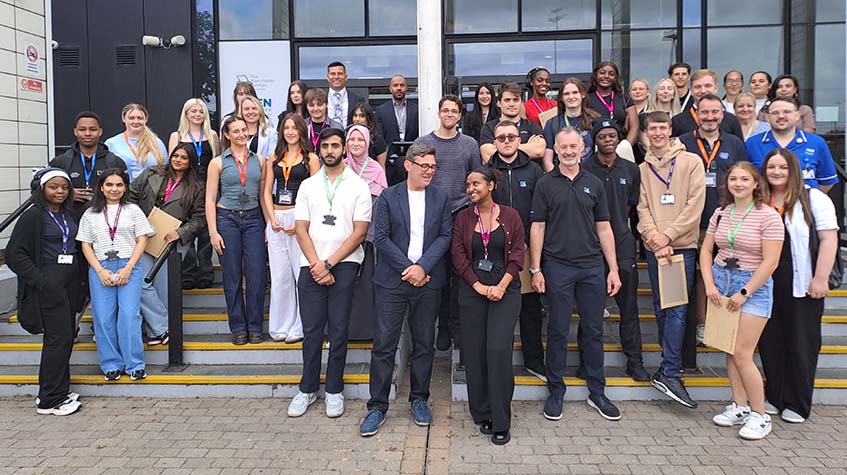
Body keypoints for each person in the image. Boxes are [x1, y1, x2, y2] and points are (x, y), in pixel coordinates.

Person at [530, 128, 623, 422]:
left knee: (594, 330)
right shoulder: (545, 184)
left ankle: (597, 392)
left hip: (592, 267)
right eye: (563, 147)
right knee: (557, 329)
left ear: (582, 147)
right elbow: (538, 228)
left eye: (573, 146)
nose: (569, 151)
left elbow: (604, 227)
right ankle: (556, 391)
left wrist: (614, 269)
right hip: (557, 266)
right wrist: (536, 268)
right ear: (555, 150)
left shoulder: (594, 184)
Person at [360, 143, 452, 437]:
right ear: (408, 165)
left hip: (428, 281)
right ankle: (377, 406)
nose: (429, 172)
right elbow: (382, 239)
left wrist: (423, 266)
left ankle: (419, 399)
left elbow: (445, 236)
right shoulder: (388, 196)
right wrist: (410, 268)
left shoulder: (440, 197)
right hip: (392, 281)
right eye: (424, 166)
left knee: (425, 343)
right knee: (384, 345)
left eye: (433, 167)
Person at [287, 127, 371, 419]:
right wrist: (316, 264)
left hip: (345, 263)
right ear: (319, 150)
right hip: (310, 263)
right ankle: (307, 388)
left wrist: (329, 264)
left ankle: (334, 389)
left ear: (344, 149)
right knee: (311, 331)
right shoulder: (308, 185)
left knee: (338, 330)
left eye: (336, 145)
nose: (330, 151)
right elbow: (300, 228)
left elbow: (360, 232)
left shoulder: (359, 186)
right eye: (325, 146)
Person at [700, 161, 783, 440]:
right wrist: (710, 284)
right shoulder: (721, 213)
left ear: (756, 183)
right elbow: (707, 250)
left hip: (752, 288)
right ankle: (740, 406)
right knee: (729, 348)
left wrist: (744, 292)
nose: (738, 184)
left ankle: (760, 415)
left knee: (743, 353)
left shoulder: (768, 216)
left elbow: (771, 262)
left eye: (744, 179)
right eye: (733, 179)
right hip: (722, 282)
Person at [760, 148, 838, 425]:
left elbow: (828, 240)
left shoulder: (813, 198)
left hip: (802, 282)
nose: (777, 172)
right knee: (770, 343)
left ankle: (797, 402)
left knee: (801, 343)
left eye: (782, 167)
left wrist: (820, 278)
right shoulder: (761, 200)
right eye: (771, 168)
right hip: (767, 283)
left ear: (793, 169)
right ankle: (775, 395)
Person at [637, 111, 705, 409]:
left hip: (681, 247)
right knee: (661, 308)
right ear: (646, 132)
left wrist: (668, 237)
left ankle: (671, 370)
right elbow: (642, 209)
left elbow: (695, 205)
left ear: (670, 129)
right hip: (656, 248)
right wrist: (654, 238)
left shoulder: (691, 162)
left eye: (662, 127)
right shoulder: (643, 168)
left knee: (677, 309)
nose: (658, 133)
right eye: (653, 128)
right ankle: (667, 369)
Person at [453, 167, 525, 444]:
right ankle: (482, 412)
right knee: (474, 353)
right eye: (468, 184)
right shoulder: (462, 218)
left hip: (505, 292)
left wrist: (502, 286)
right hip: (473, 292)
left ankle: (501, 419)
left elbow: (518, 253)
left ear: (491, 185)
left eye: (476, 183)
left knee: (497, 351)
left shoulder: (511, 215)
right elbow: (458, 256)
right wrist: (478, 286)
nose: (470, 188)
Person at [6, 169, 85, 415]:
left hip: (69, 285)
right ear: (42, 189)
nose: (60, 191)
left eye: (64, 187)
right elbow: (13, 255)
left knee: (65, 337)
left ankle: (57, 390)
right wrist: (42, 282)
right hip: (48, 286)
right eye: (54, 187)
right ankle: (51, 399)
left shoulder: (68, 214)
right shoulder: (33, 217)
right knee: (58, 339)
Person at [679, 94, 749, 346]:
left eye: (715, 112)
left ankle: (725, 327)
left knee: (728, 273)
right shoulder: (683, 142)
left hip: (729, 221)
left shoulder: (734, 142)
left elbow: (746, 177)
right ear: (696, 114)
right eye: (705, 112)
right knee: (700, 275)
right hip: (694, 222)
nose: (710, 117)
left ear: (722, 114)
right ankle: (701, 323)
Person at [582, 119, 649, 382]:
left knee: (629, 308)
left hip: (622, 244)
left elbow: (632, 205)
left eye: (612, 136)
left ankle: (635, 362)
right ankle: (587, 364)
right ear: (595, 140)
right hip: (591, 246)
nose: (608, 140)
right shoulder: (585, 169)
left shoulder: (632, 170)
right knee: (590, 310)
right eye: (602, 136)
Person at [416, 95, 483, 351]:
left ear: (459, 115)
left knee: (460, 272)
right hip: (431, 213)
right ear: (439, 113)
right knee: (435, 271)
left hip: (462, 212)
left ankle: (454, 327)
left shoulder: (469, 144)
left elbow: (476, 177)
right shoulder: (424, 142)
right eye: (445, 110)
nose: (449, 115)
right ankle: (439, 327)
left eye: (454, 111)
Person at [77, 168, 154, 381]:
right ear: (101, 187)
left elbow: (143, 239)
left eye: (119, 185)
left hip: (129, 265)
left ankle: (134, 364)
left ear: (125, 187)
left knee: (130, 315)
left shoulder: (133, 210)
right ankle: (111, 364)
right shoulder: (90, 213)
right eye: (109, 185)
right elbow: (85, 245)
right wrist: (99, 270)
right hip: (100, 266)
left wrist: (129, 267)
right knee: (103, 318)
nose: (114, 189)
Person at [128, 143, 206, 346]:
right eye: (175, 156)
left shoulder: (197, 187)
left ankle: (155, 333)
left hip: (172, 242)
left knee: (163, 289)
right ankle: (163, 328)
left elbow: (199, 218)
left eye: (183, 158)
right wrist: (139, 221)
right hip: (144, 236)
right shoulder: (150, 173)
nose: (178, 160)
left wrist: (180, 232)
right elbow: (130, 196)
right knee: (142, 282)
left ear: (191, 162)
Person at [485, 121, 545, 381]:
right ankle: (497, 362)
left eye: (511, 137)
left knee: (530, 308)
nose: (507, 141)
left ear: (519, 140)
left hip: (528, 247)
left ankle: (534, 361)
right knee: (497, 307)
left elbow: (542, 211)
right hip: (494, 249)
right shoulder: (487, 171)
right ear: (494, 142)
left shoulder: (534, 171)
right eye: (501, 138)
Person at [205, 115, 268, 345]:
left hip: (253, 219)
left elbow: (263, 195)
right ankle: (238, 327)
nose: (242, 134)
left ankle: (255, 326)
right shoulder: (218, 162)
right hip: (227, 219)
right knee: (231, 276)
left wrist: (267, 225)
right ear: (227, 135)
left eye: (244, 130)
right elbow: (210, 199)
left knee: (256, 274)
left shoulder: (260, 160)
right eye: (237, 131)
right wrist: (213, 231)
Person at [262, 113, 319, 343]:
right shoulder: (274, 156)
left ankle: (300, 325)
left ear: (301, 131)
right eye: (286, 127)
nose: (290, 132)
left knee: (299, 273)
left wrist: (301, 223)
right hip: (276, 217)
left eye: (294, 127)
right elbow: (266, 190)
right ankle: (280, 325)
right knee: (280, 275)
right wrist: (270, 217)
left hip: (300, 218)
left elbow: (316, 194)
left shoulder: (311, 158)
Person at [167, 98, 220, 290]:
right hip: (185, 187)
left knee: (205, 231)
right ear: (186, 113)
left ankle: (205, 271)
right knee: (185, 228)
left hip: (207, 187)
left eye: (201, 111)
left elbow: (217, 161)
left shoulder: (212, 135)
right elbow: (173, 164)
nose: (197, 115)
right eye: (193, 111)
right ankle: (187, 272)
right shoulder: (177, 135)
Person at [345, 124, 388, 340]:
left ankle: (363, 332)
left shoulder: (376, 170)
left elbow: (381, 205)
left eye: (360, 140)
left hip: (366, 237)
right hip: (340, 238)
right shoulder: (340, 168)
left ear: (368, 142)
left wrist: (365, 234)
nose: (356, 144)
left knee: (364, 288)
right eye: (352, 139)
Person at [746, 97, 838, 192]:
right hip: (764, 205)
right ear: (768, 117)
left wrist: (807, 201)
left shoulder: (816, 143)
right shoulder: (752, 143)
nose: (781, 116)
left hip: (804, 205)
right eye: (775, 113)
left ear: (797, 115)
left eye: (787, 112)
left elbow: (827, 182)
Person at [49, 111, 127, 222]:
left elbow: (127, 192)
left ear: (100, 132)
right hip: (69, 222)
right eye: (82, 129)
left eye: (92, 129)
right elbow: (41, 191)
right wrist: (68, 194)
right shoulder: (60, 162)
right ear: (75, 132)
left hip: (106, 222)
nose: (87, 133)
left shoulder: (115, 162)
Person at [479, 80, 545, 164]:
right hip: (499, 175)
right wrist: (527, 147)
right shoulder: (489, 127)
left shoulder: (532, 126)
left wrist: (501, 148)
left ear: (521, 103)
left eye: (516, 100)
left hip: (528, 175)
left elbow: (539, 151)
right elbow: (488, 155)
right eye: (507, 100)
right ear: (498, 103)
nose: (512, 104)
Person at [542, 78, 600, 171]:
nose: (571, 97)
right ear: (561, 98)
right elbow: (547, 161)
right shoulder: (552, 123)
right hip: (560, 178)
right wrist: (557, 180)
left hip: (589, 177)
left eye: (575, 92)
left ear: (583, 95)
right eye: (566, 94)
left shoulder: (595, 121)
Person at [671, 69, 744, 141]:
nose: (703, 91)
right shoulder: (677, 121)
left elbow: (738, 150)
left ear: (716, 88)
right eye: (698, 87)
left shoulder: (731, 120)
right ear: (691, 90)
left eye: (708, 86)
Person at [105, 103, 168, 181]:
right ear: (124, 118)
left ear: (146, 119)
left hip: (152, 190)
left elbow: (166, 170)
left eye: (140, 118)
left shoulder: (157, 142)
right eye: (131, 118)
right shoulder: (112, 143)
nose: (136, 121)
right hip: (124, 190)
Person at [587, 61, 638, 144]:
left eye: (611, 74)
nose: (606, 76)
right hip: (594, 148)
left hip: (621, 147)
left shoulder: (625, 100)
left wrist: (625, 147)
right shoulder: (586, 99)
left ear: (615, 78)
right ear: (595, 75)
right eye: (602, 73)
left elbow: (634, 127)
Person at [375, 74, 419, 146]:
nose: (399, 88)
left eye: (402, 85)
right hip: (389, 153)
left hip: (412, 153)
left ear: (406, 88)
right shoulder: (381, 110)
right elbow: (380, 137)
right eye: (395, 85)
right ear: (390, 89)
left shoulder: (416, 110)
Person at [349, 102, 388, 169]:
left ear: (368, 118)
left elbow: (381, 167)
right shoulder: (347, 137)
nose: (357, 119)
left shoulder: (377, 139)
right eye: (355, 115)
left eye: (362, 116)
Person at [326, 61, 365, 128]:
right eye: (332, 74)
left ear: (346, 77)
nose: (336, 77)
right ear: (327, 77)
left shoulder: (357, 99)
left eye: (340, 73)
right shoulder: (320, 98)